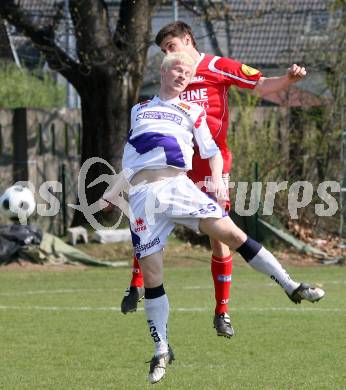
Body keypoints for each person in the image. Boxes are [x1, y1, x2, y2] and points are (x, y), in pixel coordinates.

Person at [120, 52, 324, 384]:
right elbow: (131, 156)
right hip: (144, 198)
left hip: (178, 187)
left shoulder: (192, 111)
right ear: (162, 71)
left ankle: (291, 285)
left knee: (232, 236)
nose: (183, 75)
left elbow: (212, 151)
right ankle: (161, 350)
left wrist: (216, 178)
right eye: (177, 70)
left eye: (187, 72)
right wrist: (113, 190)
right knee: (153, 277)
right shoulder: (139, 109)